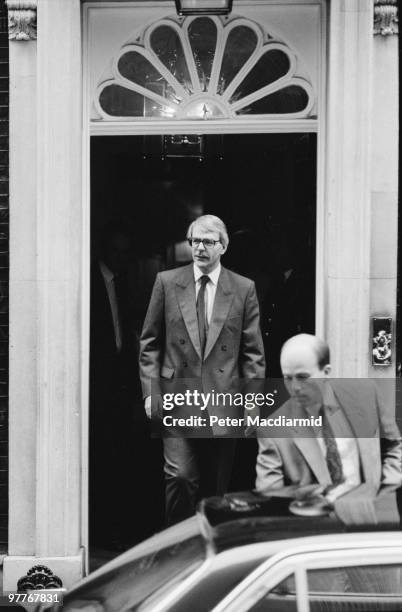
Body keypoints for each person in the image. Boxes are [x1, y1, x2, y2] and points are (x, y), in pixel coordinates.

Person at [139, 214, 266, 525]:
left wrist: (252, 403)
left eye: (208, 242)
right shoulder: (167, 283)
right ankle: (177, 546)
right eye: (195, 241)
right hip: (176, 399)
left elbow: (253, 353)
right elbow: (149, 343)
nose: (199, 248)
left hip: (224, 400)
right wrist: (149, 392)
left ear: (222, 247)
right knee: (180, 477)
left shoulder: (243, 288)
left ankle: (208, 553)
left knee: (216, 489)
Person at [255, 334, 402, 500]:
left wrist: (387, 492)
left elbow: (394, 445)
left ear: (326, 372)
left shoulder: (366, 394)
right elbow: (269, 497)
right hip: (317, 522)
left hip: (370, 512)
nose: (295, 387)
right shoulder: (273, 430)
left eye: (303, 377)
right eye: (287, 378)